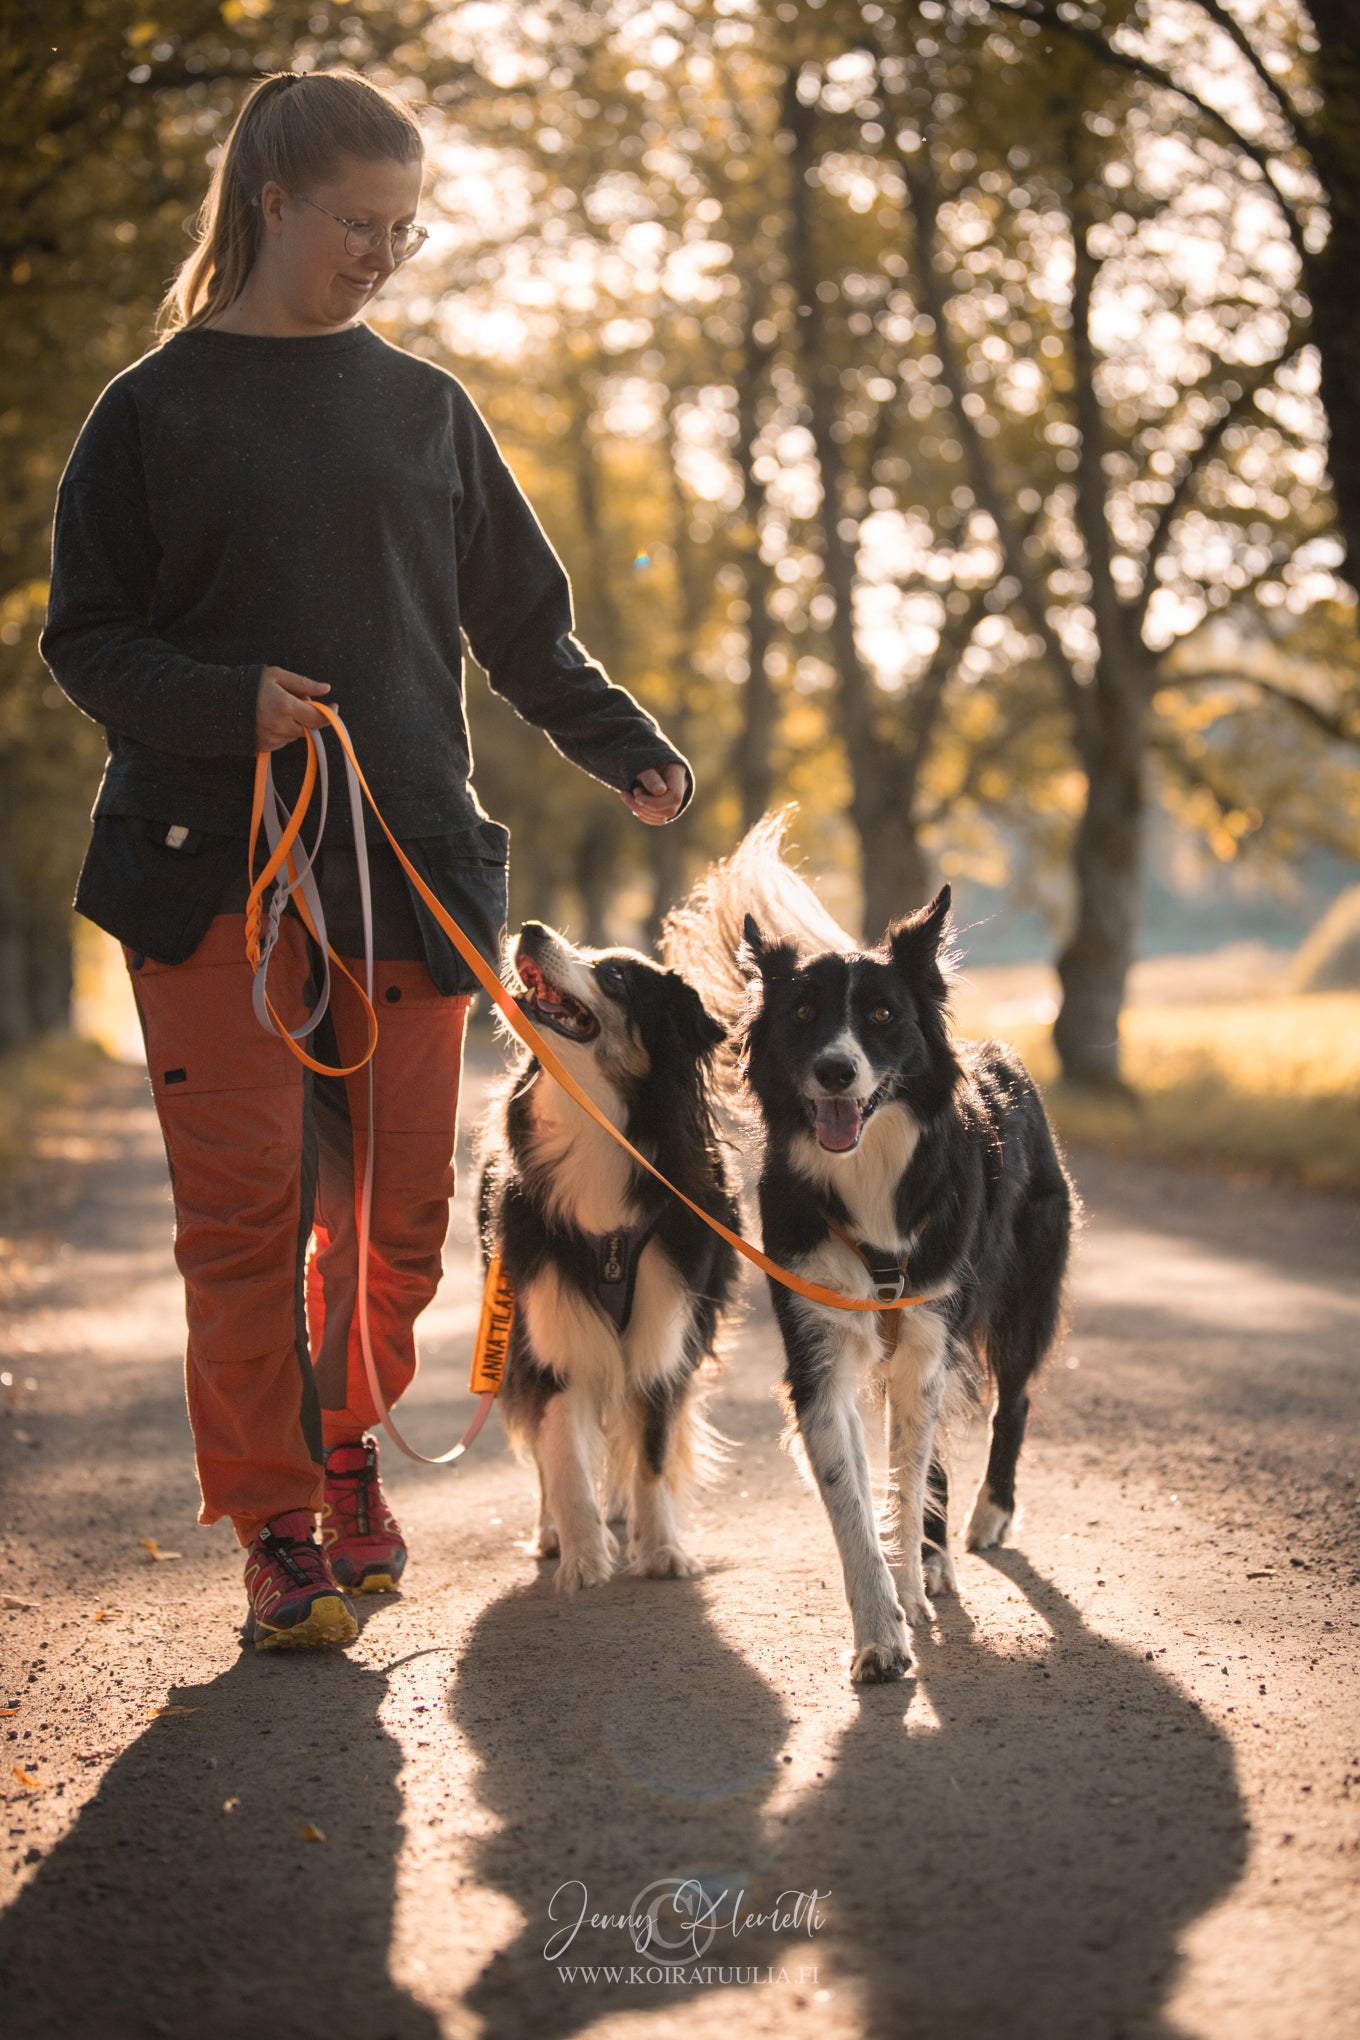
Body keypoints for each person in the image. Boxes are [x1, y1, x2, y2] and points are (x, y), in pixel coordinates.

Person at [40, 69, 693, 1652]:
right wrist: (228, 704)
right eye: (359, 225)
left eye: (408, 227)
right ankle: (278, 1526)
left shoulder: (426, 411)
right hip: (212, 874)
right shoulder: (149, 411)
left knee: (401, 1224)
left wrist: (621, 742)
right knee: (247, 1217)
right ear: (272, 206)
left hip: (414, 873)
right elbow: (88, 641)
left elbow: (523, 627)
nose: (387, 253)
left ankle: (347, 1450)